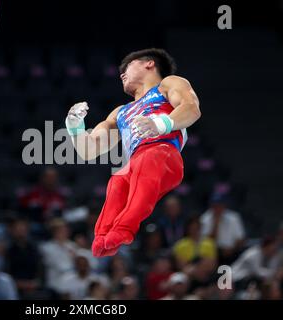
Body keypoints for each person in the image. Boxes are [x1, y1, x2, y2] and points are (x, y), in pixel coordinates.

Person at [64, 48, 201, 257]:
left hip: (164, 155)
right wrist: (74, 126)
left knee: (147, 158)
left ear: (149, 64)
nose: (121, 74)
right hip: (138, 165)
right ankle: (102, 237)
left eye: (127, 66)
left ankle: (123, 229)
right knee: (118, 179)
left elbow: (191, 108)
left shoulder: (169, 84)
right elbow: (88, 150)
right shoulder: (121, 112)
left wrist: (162, 123)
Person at [200, 193, 245, 265]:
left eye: (220, 205)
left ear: (224, 205)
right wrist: (216, 224)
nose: (218, 208)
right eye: (215, 205)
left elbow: (240, 239)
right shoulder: (205, 219)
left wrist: (232, 249)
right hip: (213, 253)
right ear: (211, 206)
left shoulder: (234, 217)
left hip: (232, 251)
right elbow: (207, 242)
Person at [39, 218, 78, 293]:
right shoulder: (47, 248)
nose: (64, 232)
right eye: (61, 230)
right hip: (56, 280)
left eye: (65, 230)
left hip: (73, 278)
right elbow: (60, 266)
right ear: (54, 232)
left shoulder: (72, 245)